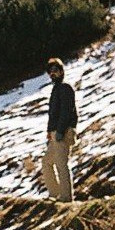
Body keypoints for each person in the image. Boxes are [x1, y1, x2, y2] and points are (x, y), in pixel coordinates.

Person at [42, 57, 77, 203]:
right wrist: (50, 133)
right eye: (50, 72)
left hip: (63, 131)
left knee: (61, 164)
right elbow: (54, 115)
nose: (52, 74)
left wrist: (61, 131)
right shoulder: (56, 90)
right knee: (47, 162)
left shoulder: (65, 88)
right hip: (55, 133)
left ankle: (66, 198)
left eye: (55, 70)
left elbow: (66, 111)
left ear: (62, 71)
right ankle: (54, 194)